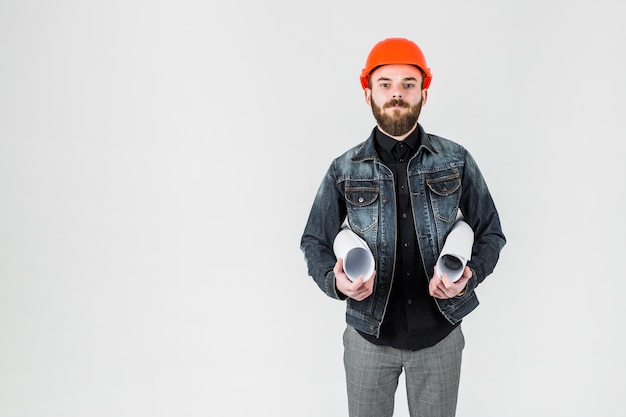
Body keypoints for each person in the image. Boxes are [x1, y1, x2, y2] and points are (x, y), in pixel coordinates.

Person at [300, 37, 506, 417]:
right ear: (368, 95)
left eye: (409, 84)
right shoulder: (343, 169)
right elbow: (315, 239)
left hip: (439, 337)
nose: (397, 93)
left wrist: (469, 275)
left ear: (424, 94)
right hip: (367, 337)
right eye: (385, 84)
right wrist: (335, 281)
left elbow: (490, 231)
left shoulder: (456, 159)